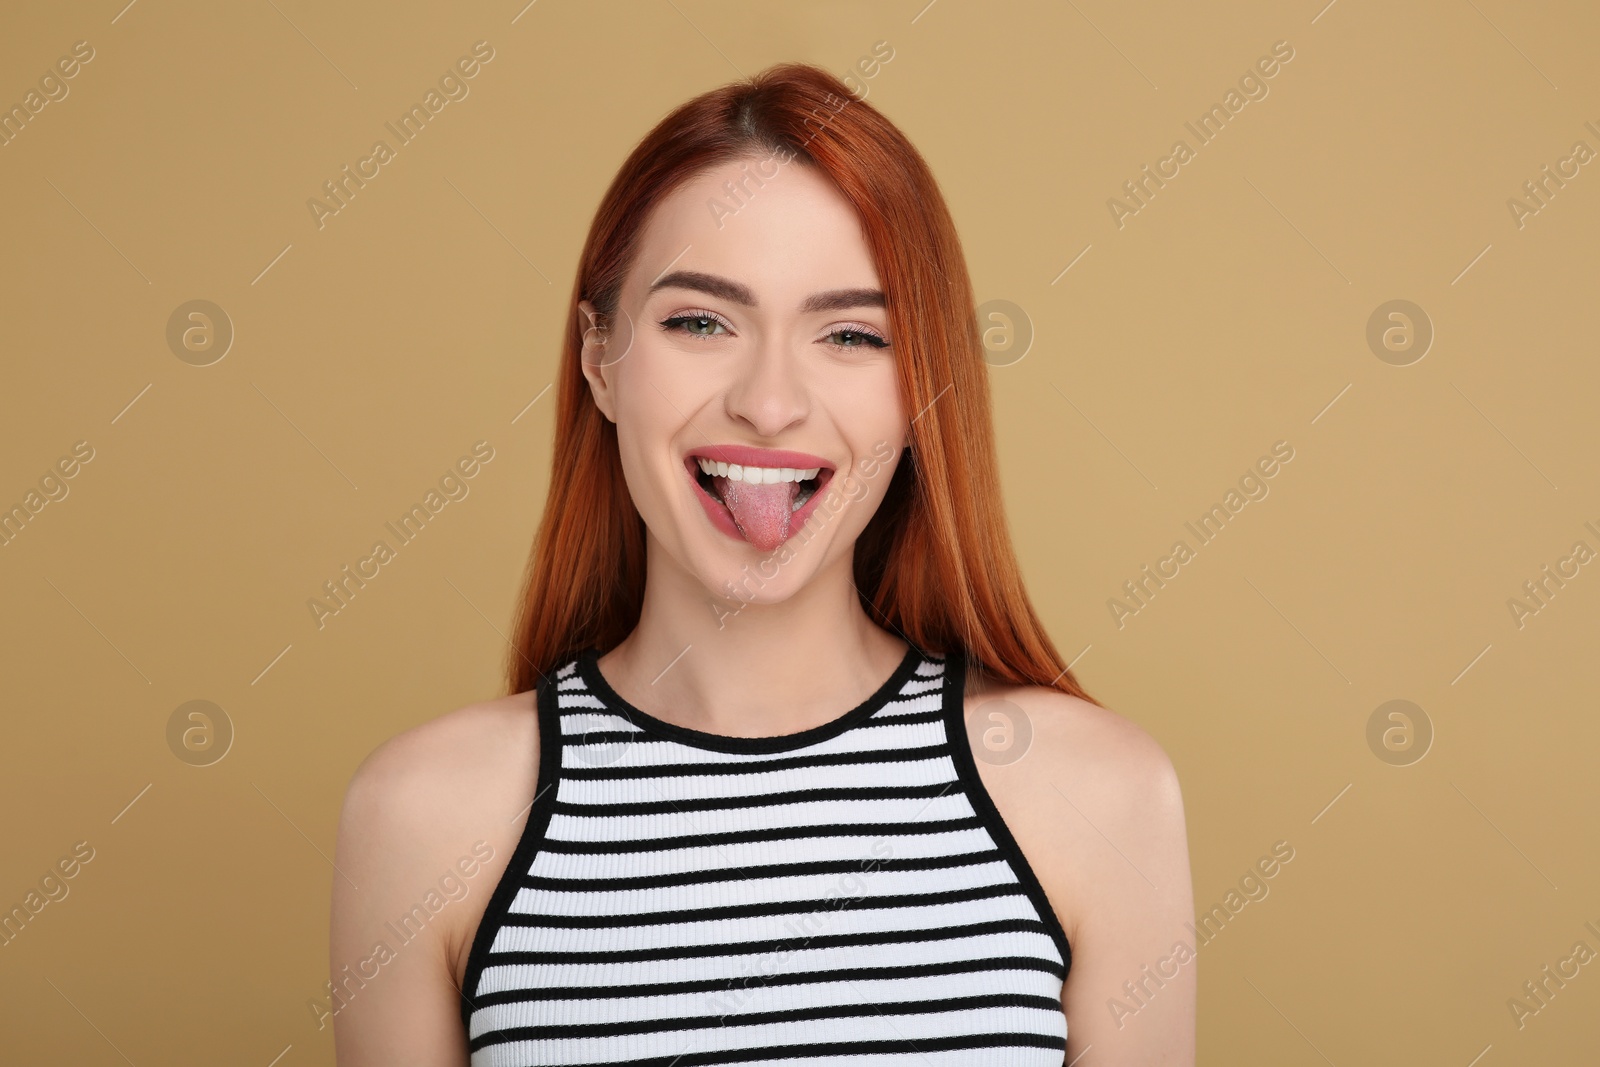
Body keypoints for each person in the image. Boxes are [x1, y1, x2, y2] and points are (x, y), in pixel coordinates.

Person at [330, 61, 1194, 1066]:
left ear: (923, 391)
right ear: (598, 357)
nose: (770, 401)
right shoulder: (422, 819)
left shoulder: (1103, 796)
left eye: (850, 333)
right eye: (700, 320)